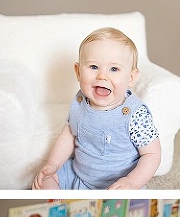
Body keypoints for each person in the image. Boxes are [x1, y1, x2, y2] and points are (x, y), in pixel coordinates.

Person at [33, 27, 161, 190]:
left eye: (114, 69)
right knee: (43, 180)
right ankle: (62, 207)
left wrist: (132, 182)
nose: (102, 76)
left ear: (131, 77)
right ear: (78, 72)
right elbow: (68, 136)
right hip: (77, 175)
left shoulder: (135, 114)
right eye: (94, 67)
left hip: (118, 184)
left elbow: (152, 154)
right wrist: (53, 163)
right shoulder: (80, 102)